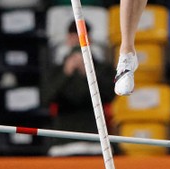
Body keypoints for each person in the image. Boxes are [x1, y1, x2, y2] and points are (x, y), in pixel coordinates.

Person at [41, 21, 115, 157]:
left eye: (81, 37)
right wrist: (65, 73)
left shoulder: (103, 68)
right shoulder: (55, 70)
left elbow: (110, 95)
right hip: (63, 142)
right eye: (73, 37)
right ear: (68, 39)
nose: (76, 42)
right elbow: (46, 98)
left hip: (95, 142)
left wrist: (87, 73)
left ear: (90, 39)